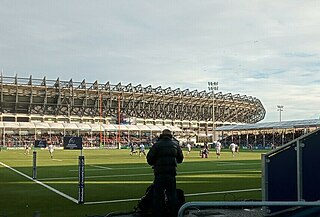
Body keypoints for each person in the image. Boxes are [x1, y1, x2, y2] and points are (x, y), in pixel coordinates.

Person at [147, 129, 184, 217]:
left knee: (158, 196)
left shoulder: (157, 145)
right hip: (171, 173)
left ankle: (158, 213)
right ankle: (173, 213)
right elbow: (180, 159)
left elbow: (149, 159)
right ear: (171, 136)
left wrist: (156, 163)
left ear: (161, 135)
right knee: (172, 195)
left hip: (159, 173)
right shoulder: (175, 145)